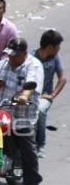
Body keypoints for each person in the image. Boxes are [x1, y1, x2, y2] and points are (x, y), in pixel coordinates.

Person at [0, 37, 44, 185]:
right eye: (9, 55)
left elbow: (32, 84)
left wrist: (25, 95)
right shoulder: (4, 63)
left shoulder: (33, 66)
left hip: (23, 116)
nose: (11, 58)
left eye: (14, 55)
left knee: (28, 151)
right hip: (2, 112)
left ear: (24, 54)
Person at [32, 30, 67, 158]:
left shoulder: (55, 59)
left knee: (40, 109)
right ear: (50, 47)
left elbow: (62, 78)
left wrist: (52, 95)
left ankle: (40, 144)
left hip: (43, 96)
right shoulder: (30, 57)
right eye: (58, 46)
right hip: (28, 94)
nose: (59, 49)